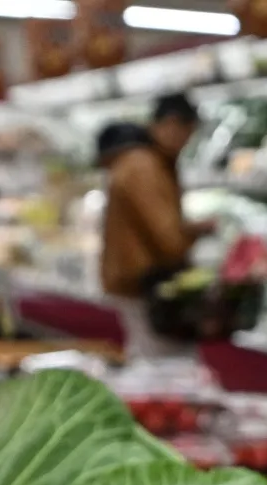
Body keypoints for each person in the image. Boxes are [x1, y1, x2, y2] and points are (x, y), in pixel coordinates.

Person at [101, 94, 213, 358]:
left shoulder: (142, 160)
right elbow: (167, 237)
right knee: (159, 361)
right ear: (173, 123)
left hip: (134, 280)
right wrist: (195, 232)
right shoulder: (144, 167)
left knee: (146, 354)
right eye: (188, 134)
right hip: (145, 283)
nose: (187, 143)